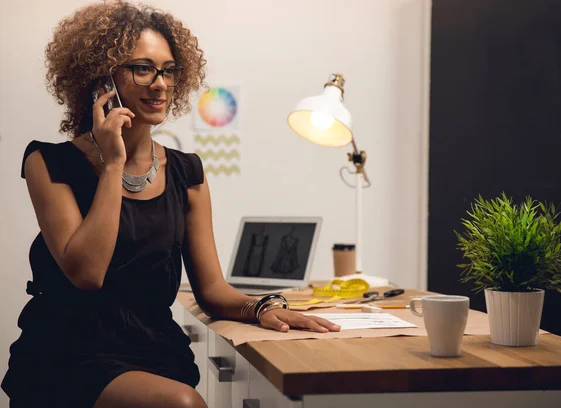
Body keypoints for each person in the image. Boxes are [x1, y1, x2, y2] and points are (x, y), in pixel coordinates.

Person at [1, 1, 340, 407]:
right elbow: (87, 272)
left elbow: (211, 289)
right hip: (68, 351)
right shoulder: (48, 162)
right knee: (184, 404)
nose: (160, 83)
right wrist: (113, 165)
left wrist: (261, 307)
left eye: (168, 70)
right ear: (101, 81)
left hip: (153, 346)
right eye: (142, 68)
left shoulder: (186, 172)